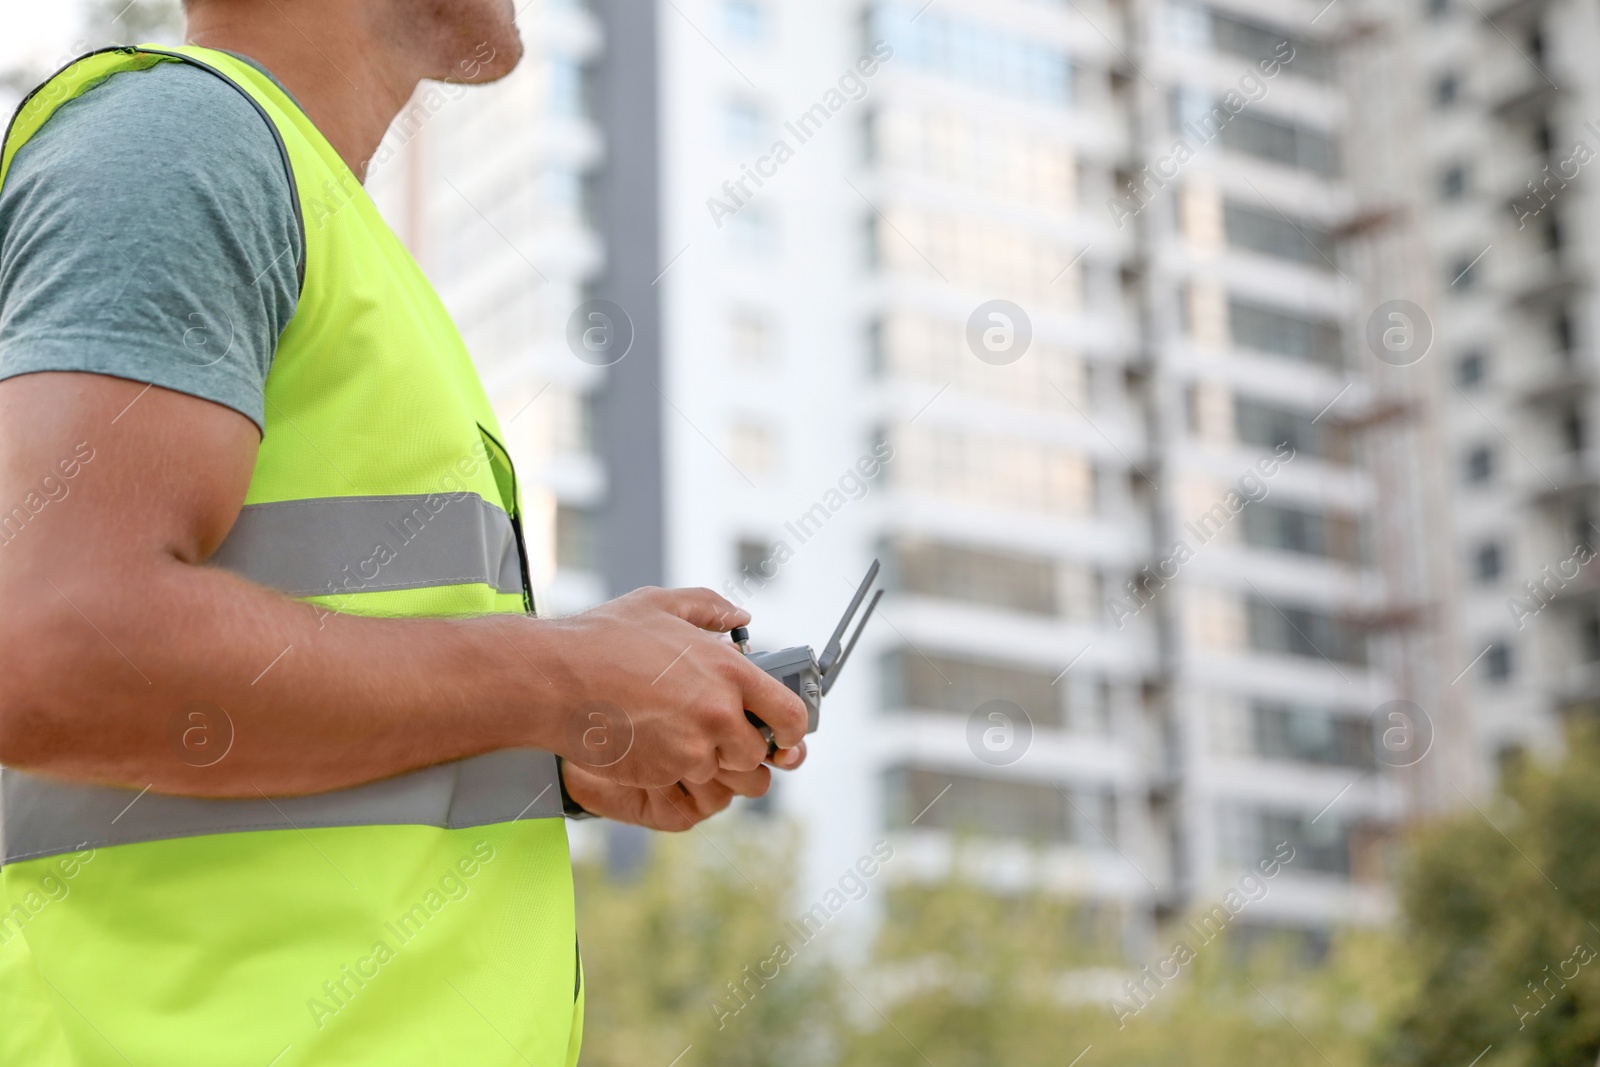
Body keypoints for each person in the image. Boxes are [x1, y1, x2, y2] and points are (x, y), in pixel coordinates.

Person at [0, 1, 808, 1063]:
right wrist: (559, 678)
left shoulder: (329, 226)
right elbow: (53, 650)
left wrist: (552, 743)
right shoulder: (182, 146)